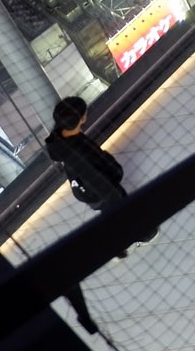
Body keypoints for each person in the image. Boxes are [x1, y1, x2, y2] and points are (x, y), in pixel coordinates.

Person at [44, 97, 157, 251]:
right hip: (100, 191)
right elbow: (101, 182)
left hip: (84, 188)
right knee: (121, 212)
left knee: (116, 210)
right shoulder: (80, 151)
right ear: (82, 118)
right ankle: (138, 235)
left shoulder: (60, 140)